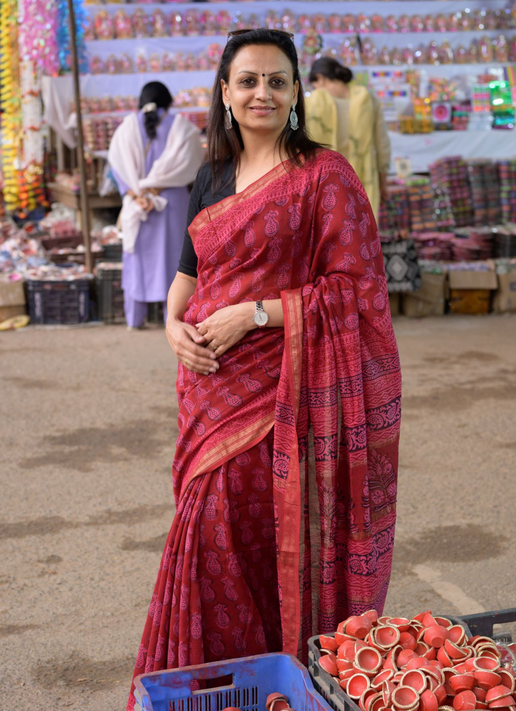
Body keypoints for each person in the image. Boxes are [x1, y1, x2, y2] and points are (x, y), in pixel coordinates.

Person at [127, 30, 401, 710]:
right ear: (223, 91)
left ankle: (278, 684)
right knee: (207, 537)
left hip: (285, 396)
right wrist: (170, 326)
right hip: (211, 390)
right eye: (247, 80)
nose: (262, 93)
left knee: (250, 535)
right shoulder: (210, 176)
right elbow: (187, 277)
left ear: (294, 94)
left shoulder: (323, 176)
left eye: (277, 81)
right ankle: (213, 690)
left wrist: (254, 313)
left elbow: (357, 290)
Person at [108, 82, 204, 329]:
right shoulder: (183, 128)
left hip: (136, 202)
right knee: (176, 262)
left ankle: (134, 319)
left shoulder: (126, 127)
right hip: (172, 202)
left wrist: (134, 193)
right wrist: (156, 187)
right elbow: (193, 166)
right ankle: (172, 319)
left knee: (138, 258)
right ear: (168, 102)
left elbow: (116, 166)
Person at [306, 57, 391, 219]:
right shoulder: (368, 99)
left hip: (324, 184)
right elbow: (382, 145)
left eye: (315, 84)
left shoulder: (310, 103)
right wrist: (383, 182)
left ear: (320, 78)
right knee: (361, 233)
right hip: (363, 179)